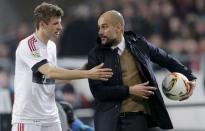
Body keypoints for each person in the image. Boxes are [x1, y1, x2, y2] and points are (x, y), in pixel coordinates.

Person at [87, 10, 197, 131]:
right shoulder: (95, 55)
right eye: (99, 27)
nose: (100, 32)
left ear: (118, 27)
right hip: (108, 122)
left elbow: (168, 60)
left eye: (104, 27)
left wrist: (191, 78)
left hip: (137, 119)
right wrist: (129, 90)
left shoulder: (140, 45)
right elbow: (98, 91)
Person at [11, 2, 113, 131]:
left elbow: (50, 80)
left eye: (60, 22)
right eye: (55, 23)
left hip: (51, 117)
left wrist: (82, 70)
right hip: (28, 119)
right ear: (42, 24)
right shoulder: (28, 45)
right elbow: (49, 72)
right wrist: (87, 74)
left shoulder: (52, 47)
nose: (60, 27)